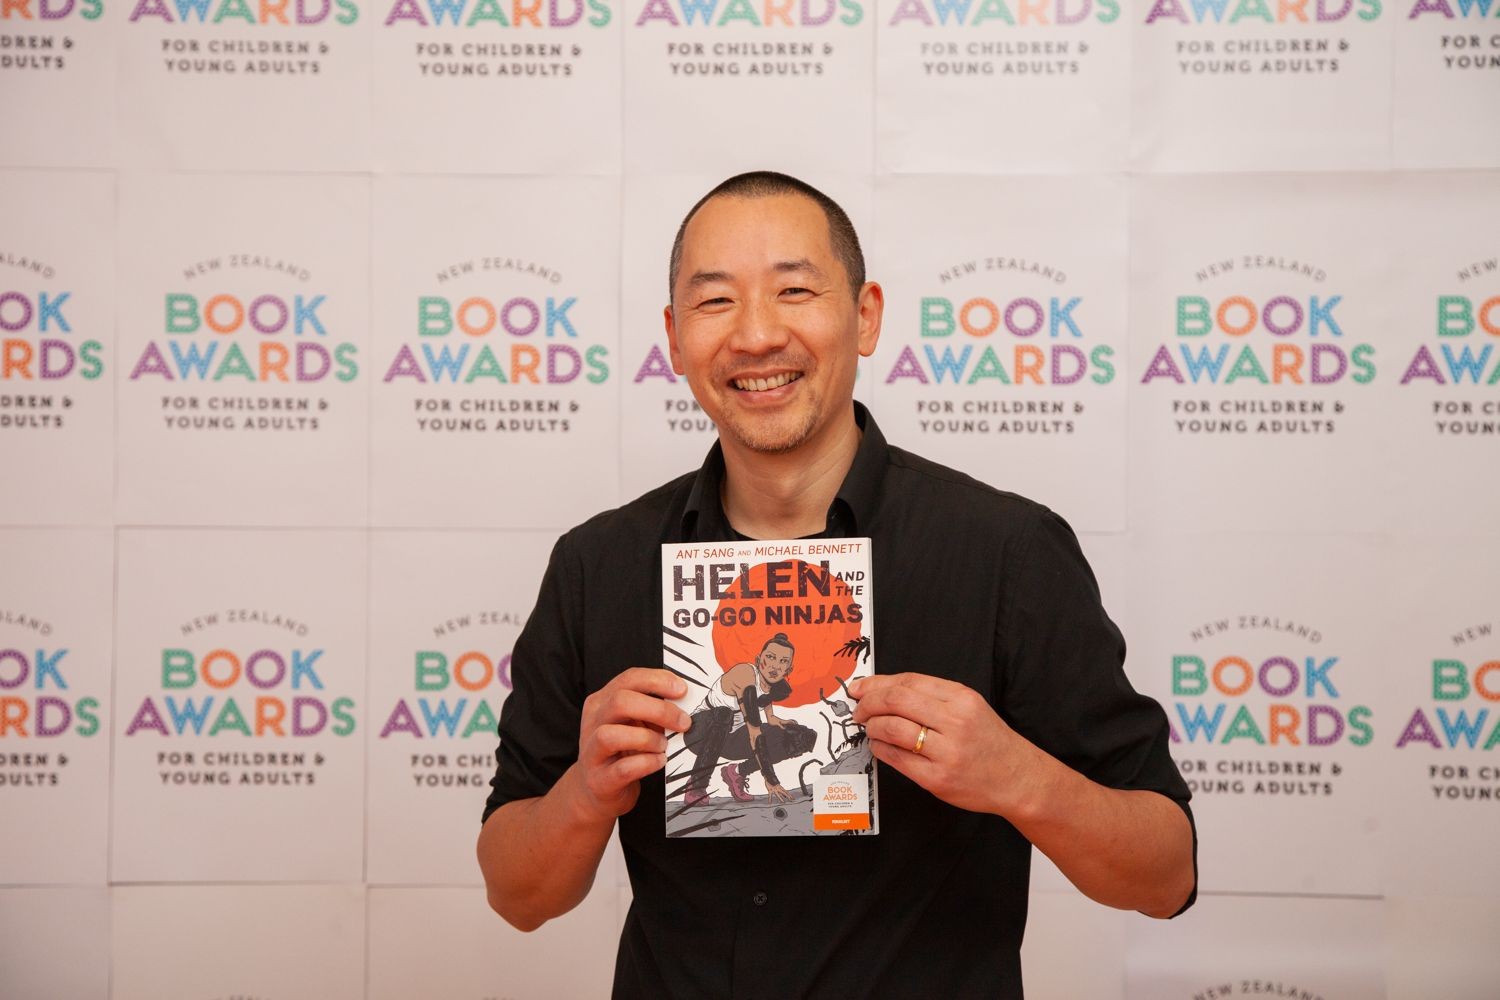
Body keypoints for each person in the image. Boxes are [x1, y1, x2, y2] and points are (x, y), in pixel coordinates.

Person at [478, 171, 1196, 997]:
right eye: (716, 303)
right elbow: (517, 895)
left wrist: (1016, 776)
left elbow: (1164, 873)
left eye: (794, 290)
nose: (756, 335)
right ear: (673, 340)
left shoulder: (1006, 552)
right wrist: (585, 792)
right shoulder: (596, 566)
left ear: (864, 317)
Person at [681, 631, 814, 807]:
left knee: (801, 737)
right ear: (759, 660)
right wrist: (771, 779)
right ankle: (696, 786)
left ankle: (736, 772)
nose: (775, 666)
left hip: (731, 740)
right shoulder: (744, 675)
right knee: (724, 714)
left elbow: (768, 710)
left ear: (789, 669)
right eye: (771, 657)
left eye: (783, 661)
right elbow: (754, 733)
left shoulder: (776, 686)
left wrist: (776, 721)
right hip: (700, 733)